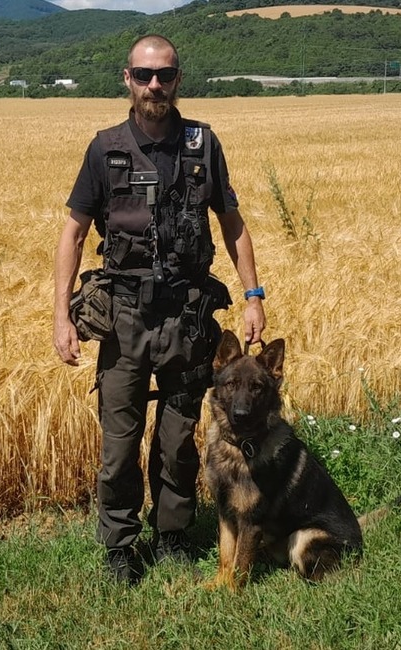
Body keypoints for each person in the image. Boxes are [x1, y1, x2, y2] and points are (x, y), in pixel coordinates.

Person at [52, 34, 267, 585]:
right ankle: (120, 547)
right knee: (119, 445)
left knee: (178, 440)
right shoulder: (105, 148)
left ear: (178, 79)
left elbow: (232, 222)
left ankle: (171, 534)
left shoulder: (202, 143)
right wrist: (60, 316)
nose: (155, 85)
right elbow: (74, 233)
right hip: (124, 319)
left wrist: (252, 295)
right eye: (144, 75)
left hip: (188, 319)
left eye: (165, 75)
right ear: (127, 79)